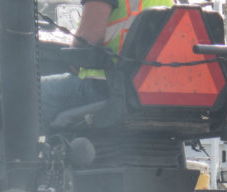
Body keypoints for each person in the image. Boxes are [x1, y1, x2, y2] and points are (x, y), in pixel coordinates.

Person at [41, 0, 173, 131]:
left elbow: (86, 41)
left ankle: (35, 151)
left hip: (107, 86)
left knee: (30, 91)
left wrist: (73, 55)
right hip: (158, 92)